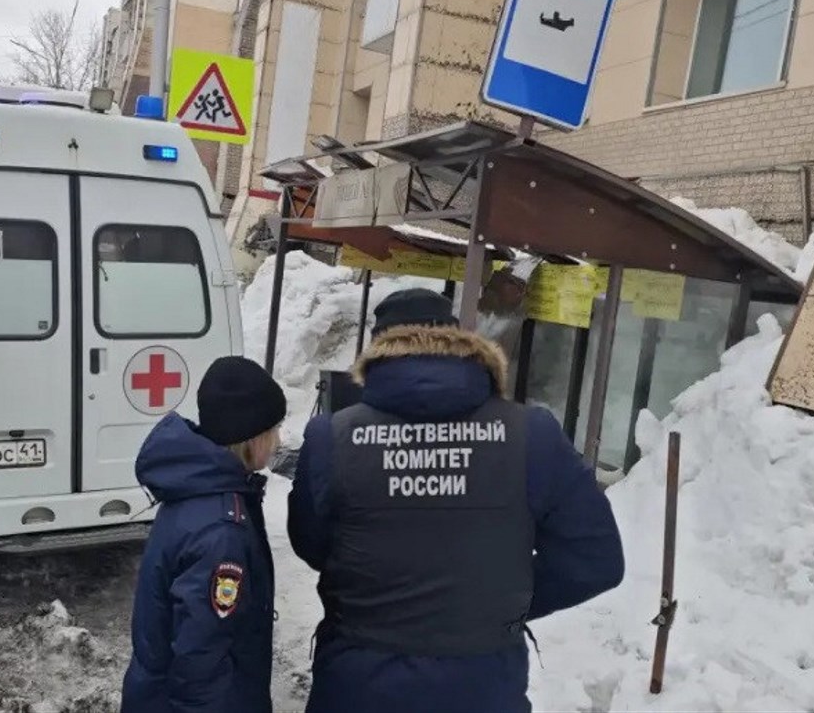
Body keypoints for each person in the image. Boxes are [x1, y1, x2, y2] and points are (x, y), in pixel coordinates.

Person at [288, 288, 625, 713]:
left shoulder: (332, 437)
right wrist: (496, 603)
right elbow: (596, 559)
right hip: (482, 687)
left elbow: (311, 543)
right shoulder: (531, 435)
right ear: (458, 340)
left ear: (376, 351)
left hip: (359, 684)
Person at [122, 356, 286, 713]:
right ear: (251, 437)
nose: (279, 440)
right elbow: (201, 660)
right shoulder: (221, 531)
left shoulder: (198, 489)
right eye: (274, 429)